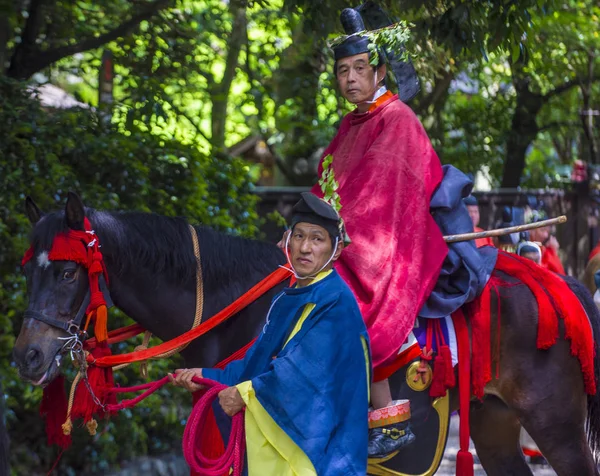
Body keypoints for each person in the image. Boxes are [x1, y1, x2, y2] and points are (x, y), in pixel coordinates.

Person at [278, 6, 496, 459]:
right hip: (349, 236)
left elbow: (376, 199)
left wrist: (328, 242)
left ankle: (388, 417)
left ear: (380, 71)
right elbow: (327, 190)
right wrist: (298, 233)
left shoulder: (397, 120)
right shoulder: (349, 125)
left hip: (395, 238)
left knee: (345, 304)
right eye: (342, 71)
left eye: (360, 68)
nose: (351, 78)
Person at [172, 192, 372, 475]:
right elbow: (257, 362)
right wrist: (206, 376)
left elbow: (301, 375)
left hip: (321, 452)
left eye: (317, 239)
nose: (304, 247)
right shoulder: (293, 295)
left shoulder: (335, 301)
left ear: (335, 250)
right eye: (299, 236)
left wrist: (244, 395)